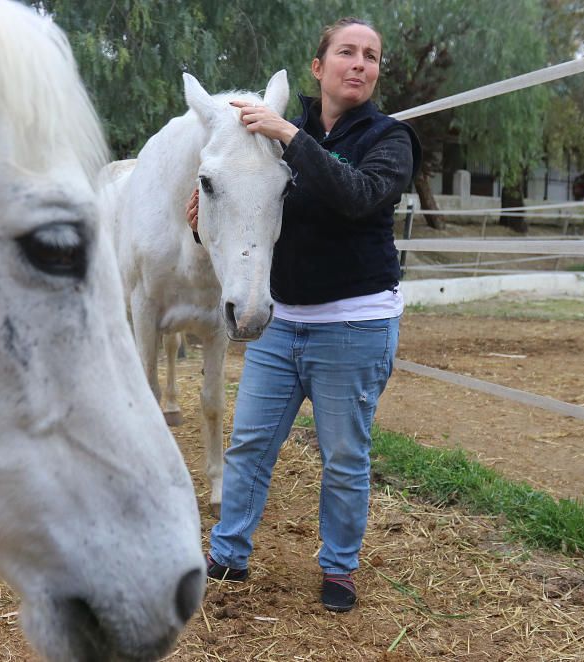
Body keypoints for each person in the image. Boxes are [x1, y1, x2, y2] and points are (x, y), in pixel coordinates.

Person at [186, 17, 421, 612]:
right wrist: (203, 222)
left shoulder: (388, 139)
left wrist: (290, 135)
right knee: (250, 444)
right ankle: (229, 553)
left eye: (370, 55)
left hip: (354, 323)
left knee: (343, 455)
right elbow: (248, 206)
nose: (359, 63)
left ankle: (339, 566)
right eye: (347, 51)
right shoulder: (269, 137)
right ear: (319, 68)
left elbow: (358, 196)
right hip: (282, 320)